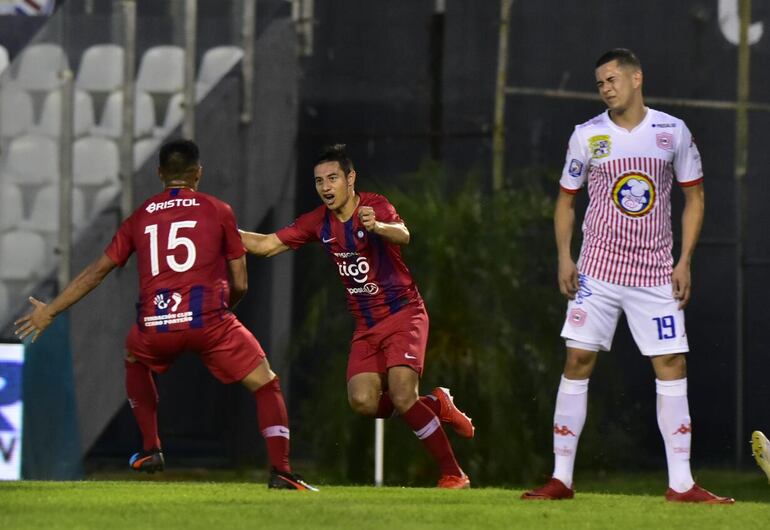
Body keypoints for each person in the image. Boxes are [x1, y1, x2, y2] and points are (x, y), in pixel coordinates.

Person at [14, 139, 316, 491]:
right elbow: (241, 281)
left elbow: (97, 271)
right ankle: (281, 471)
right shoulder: (218, 211)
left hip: (156, 326)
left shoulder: (140, 217)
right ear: (198, 173)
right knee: (266, 383)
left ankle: (150, 449)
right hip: (210, 322)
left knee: (133, 356)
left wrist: (50, 310)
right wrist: (222, 309)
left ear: (160, 173)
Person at [521, 49, 733, 503]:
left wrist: (685, 260)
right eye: (600, 83)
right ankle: (561, 479)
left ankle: (681, 484)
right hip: (597, 270)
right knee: (577, 360)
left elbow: (695, 198)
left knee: (672, 364)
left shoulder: (671, 131)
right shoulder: (587, 136)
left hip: (655, 272)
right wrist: (565, 257)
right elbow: (565, 201)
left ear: (637, 78)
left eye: (612, 79)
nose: (606, 88)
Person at [240, 144, 473, 488]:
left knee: (402, 394)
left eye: (332, 178)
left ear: (351, 179)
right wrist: (218, 228)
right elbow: (266, 245)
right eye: (319, 181)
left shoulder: (374, 205)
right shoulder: (318, 221)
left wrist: (377, 225)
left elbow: (403, 234)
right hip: (366, 325)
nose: (325, 187)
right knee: (362, 401)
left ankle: (454, 474)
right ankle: (437, 404)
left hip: (403, 313)